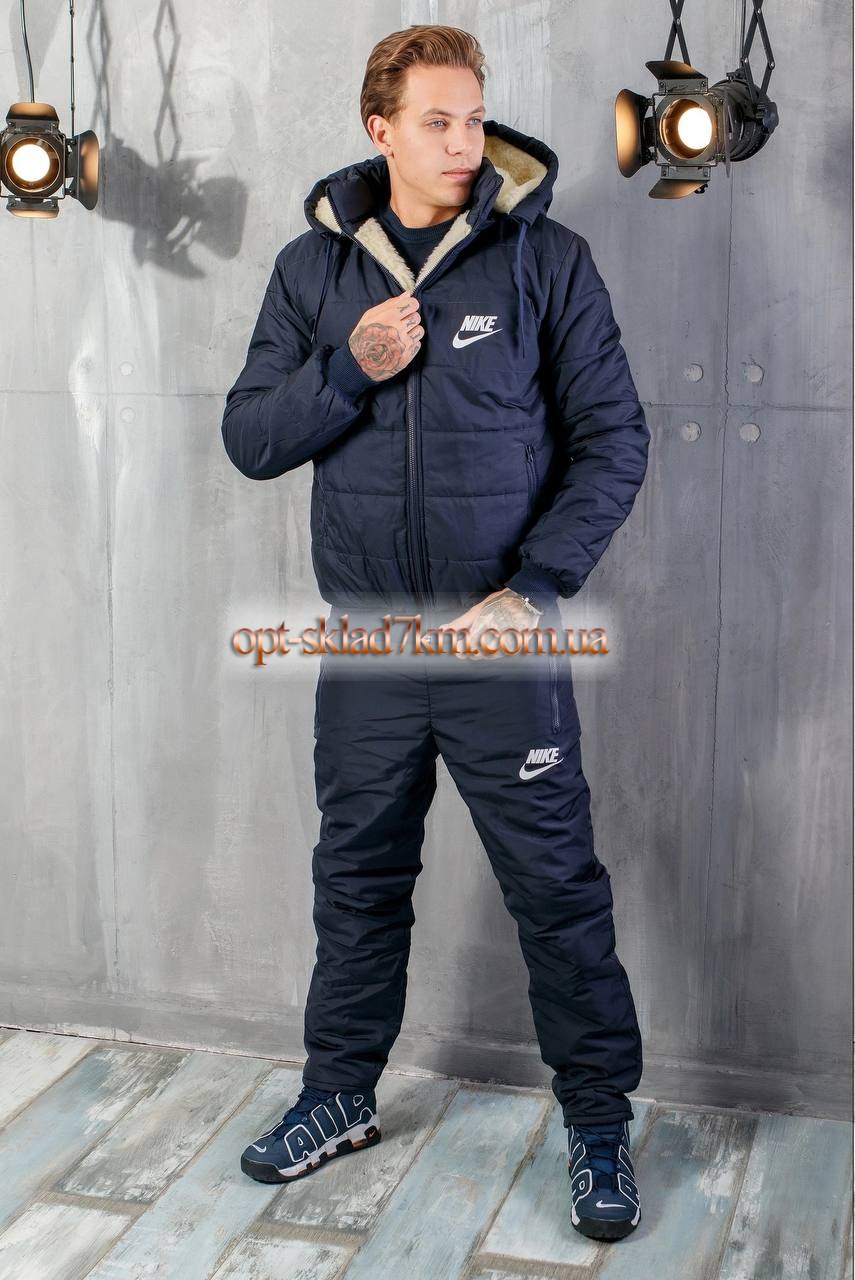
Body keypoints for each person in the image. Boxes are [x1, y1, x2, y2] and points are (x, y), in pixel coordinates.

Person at [221, 24, 649, 1243]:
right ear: (381, 130)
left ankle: (598, 1121)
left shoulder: (545, 260)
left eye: (474, 116)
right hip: (367, 647)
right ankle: (339, 1094)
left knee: (555, 888)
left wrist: (538, 585)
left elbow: (614, 436)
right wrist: (348, 369)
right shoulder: (313, 270)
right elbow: (250, 437)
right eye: (437, 121)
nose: (466, 141)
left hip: (498, 643)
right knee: (356, 879)